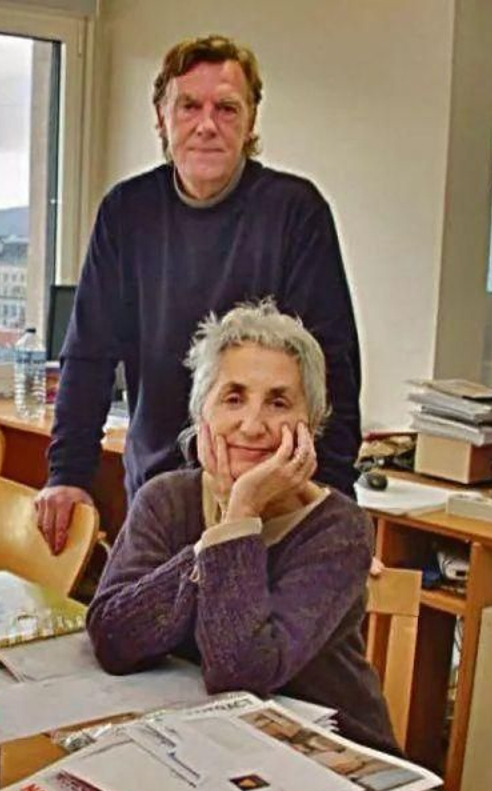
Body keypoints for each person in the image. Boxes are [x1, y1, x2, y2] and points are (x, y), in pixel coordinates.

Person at [35, 34, 362, 554]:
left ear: (251, 122)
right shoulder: (127, 212)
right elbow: (89, 353)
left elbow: (331, 368)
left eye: (227, 109)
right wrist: (67, 472)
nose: (207, 124)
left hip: (270, 499)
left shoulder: (296, 213)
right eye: (189, 106)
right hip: (158, 493)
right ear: (162, 119)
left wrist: (336, 509)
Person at [84, 301, 397, 755]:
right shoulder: (166, 498)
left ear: (310, 423)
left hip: (332, 753)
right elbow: (113, 639)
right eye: (233, 398)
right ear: (201, 413)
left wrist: (241, 512)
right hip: (205, 744)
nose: (252, 426)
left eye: (278, 402)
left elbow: (242, 674)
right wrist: (219, 539)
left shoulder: (339, 528)